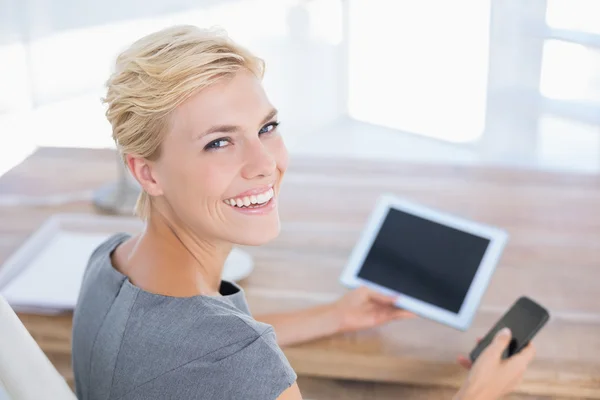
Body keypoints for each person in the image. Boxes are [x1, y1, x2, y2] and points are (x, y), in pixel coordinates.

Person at [71, 25, 536, 400]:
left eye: (266, 127)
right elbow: (223, 356)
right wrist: (480, 392)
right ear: (146, 173)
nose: (265, 164)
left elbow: (193, 343)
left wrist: (334, 316)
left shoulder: (108, 263)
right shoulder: (237, 363)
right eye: (219, 142)